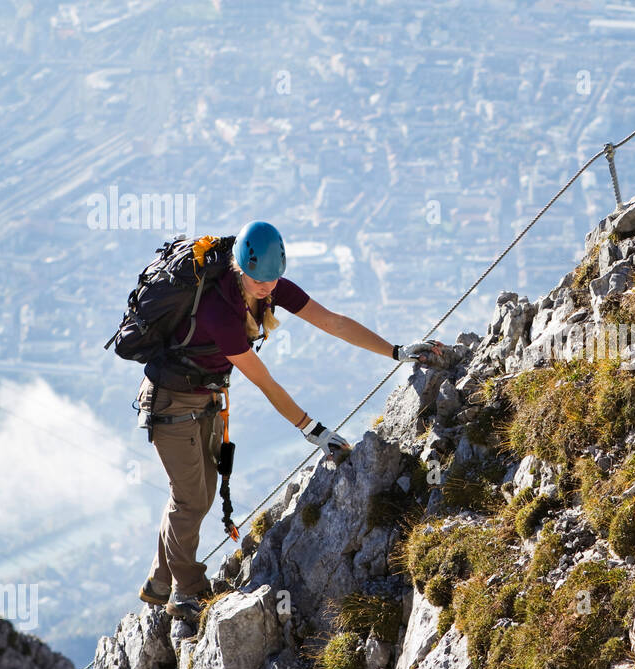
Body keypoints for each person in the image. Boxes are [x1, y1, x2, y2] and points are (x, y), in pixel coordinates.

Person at [135, 220, 446, 620]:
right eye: (258, 280)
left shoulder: (271, 287)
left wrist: (396, 350)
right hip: (169, 402)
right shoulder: (219, 311)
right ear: (238, 268)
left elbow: (332, 321)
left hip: (205, 395)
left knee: (198, 491)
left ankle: (160, 581)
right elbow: (266, 382)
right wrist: (314, 430)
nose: (266, 288)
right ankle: (187, 593)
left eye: (272, 280)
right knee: (191, 497)